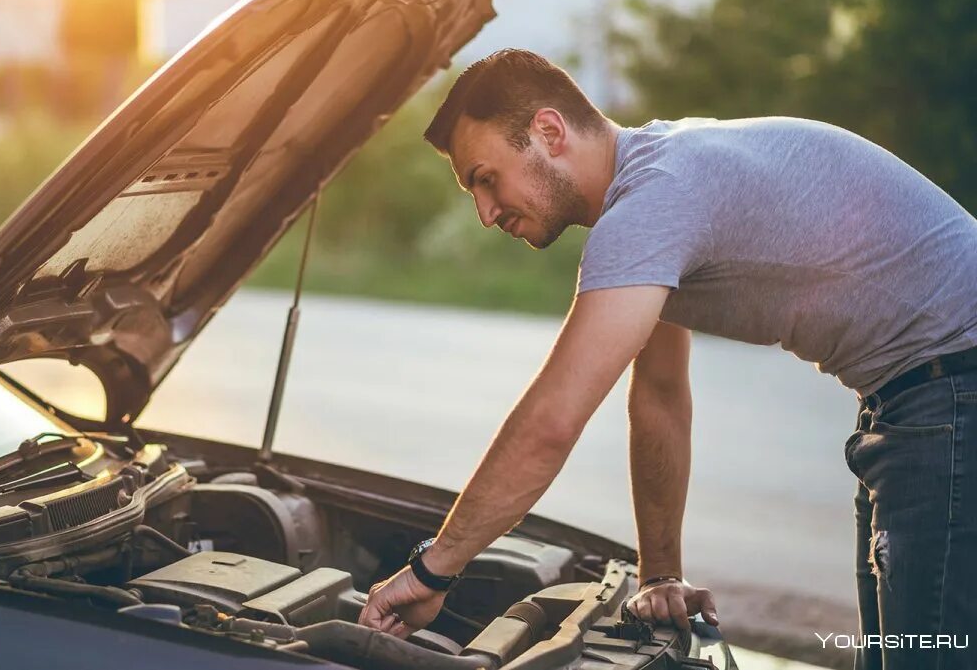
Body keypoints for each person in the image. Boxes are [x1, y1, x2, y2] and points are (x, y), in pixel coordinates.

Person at [356, 48, 977, 670]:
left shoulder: (652, 203)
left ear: (548, 131)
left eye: (486, 179)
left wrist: (432, 571)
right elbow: (657, 395)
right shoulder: (660, 178)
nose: (486, 212)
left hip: (952, 392)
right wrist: (659, 576)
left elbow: (551, 422)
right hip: (924, 399)